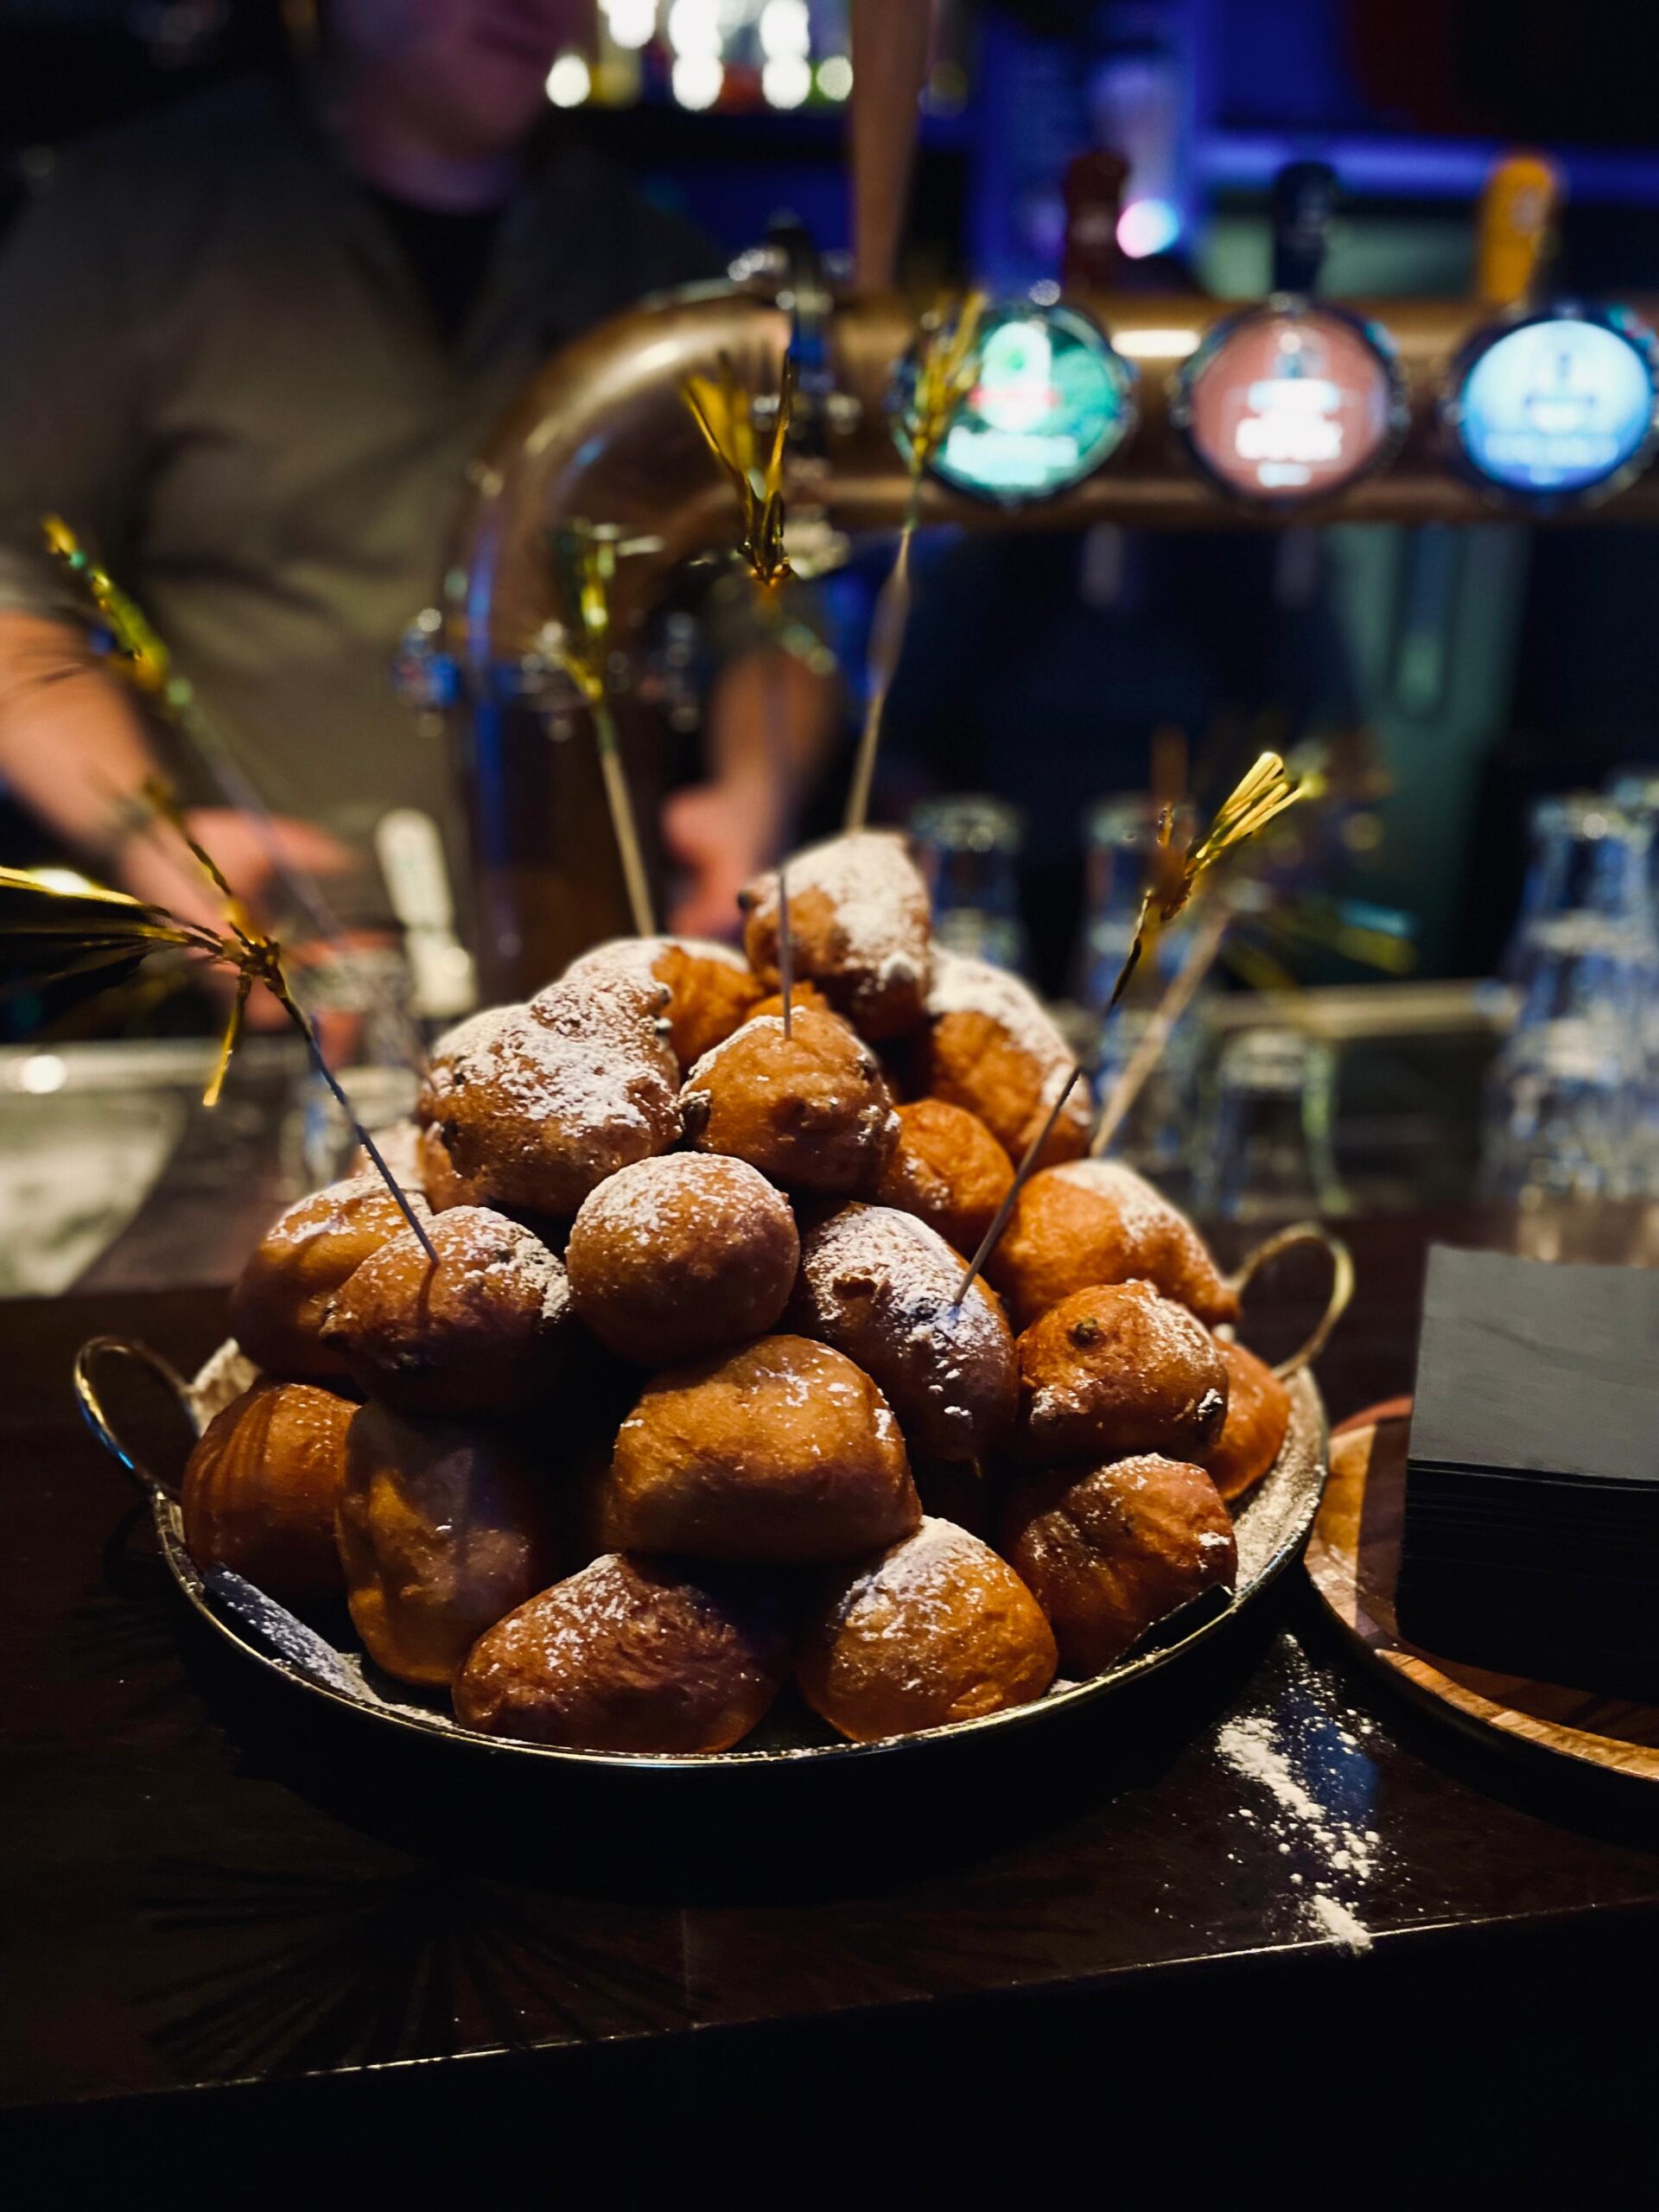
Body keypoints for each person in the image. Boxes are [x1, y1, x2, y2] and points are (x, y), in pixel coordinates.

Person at [0, 0, 835, 990]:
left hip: (604, 994)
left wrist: (752, 794)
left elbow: (776, 609)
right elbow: (15, 604)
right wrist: (159, 842)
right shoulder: (125, 224)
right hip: (291, 1000)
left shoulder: (656, 264)